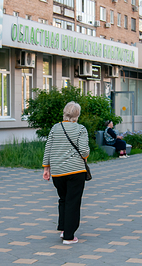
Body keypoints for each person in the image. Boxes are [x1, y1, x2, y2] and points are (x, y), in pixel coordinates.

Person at [42, 101, 90, 245]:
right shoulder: (81, 129)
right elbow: (84, 151)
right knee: (73, 202)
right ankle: (69, 236)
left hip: (58, 172)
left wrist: (46, 168)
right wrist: (85, 156)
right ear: (77, 114)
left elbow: (48, 148)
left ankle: (63, 229)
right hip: (76, 171)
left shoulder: (55, 128)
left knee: (63, 199)